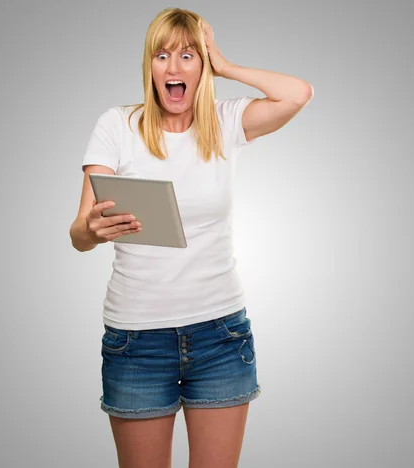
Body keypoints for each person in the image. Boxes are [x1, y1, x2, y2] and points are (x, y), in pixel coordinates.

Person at [69, 7, 313, 468]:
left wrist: (224, 63)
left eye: (188, 55)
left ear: (203, 65)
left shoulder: (224, 122)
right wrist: (92, 230)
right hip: (137, 341)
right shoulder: (117, 126)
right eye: (163, 56)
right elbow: (79, 233)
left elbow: (298, 94)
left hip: (220, 335)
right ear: (150, 67)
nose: (175, 68)